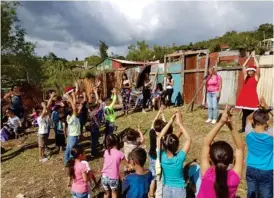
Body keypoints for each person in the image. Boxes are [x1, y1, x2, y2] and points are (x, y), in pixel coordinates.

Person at [198, 105, 245, 198]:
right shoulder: (234, 178)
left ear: (209, 158)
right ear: (232, 160)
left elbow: (206, 142)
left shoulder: (206, 174)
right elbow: (240, 148)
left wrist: (221, 122)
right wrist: (230, 126)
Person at [157, 110, 192, 198]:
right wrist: (180, 123)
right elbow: (189, 140)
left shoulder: (161, 156)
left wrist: (170, 121)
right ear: (177, 147)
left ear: (164, 145)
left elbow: (160, 137)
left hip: (166, 188)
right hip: (179, 190)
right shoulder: (179, 158)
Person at [245, 97, 273, 198]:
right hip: (266, 170)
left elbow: (248, 118)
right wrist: (267, 108)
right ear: (266, 121)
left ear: (254, 120)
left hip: (251, 168)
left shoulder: (248, 132)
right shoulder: (271, 134)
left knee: (252, 194)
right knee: (266, 195)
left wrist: (257, 110)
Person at [236, 52, 260, 132]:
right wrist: (249, 57)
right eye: (248, 71)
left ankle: (251, 128)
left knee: (252, 115)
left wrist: (254, 57)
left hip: (252, 98)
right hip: (244, 98)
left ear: (253, 72)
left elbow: (258, 67)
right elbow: (243, 66)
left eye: (251, 71)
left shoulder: (256, 78)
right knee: (244, 115)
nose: (249, 72)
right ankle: (243, 128)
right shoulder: (246, 77)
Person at [101, 134, 128, 198]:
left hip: (104, 177)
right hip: (113, 178)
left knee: (106, 194)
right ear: (117, 142)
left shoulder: (106, 152)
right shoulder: (120, 154)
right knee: (114, 194)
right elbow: (127, 164)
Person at [148, 107, 168, 198]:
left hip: (152, 157)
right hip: (160, 158)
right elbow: (166, 127)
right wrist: (162, 114)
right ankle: (159, 192)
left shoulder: (152, 133)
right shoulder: (164, 137)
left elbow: (152, 124)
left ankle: (151, 194)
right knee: (159, 175)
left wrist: (158, 113)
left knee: (153, 176)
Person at [64, 91, 81, 166]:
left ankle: (66, 161)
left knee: (68, 149)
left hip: (72, 136)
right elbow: (74, 109)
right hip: (72, 137)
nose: (77, 110)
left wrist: (73, 96)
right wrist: (70, 99)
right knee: (71, 151)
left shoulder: (72, 117)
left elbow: (74, 109)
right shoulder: (72, 118)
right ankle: (71, 163)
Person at [88, 88, 103, 156]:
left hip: (93, 127)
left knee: (94, 139)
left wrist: (95, 92)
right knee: (94, 139)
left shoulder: (91, 111)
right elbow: (100, 105)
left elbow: (98, 103)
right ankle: (93, 152)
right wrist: (95, 93)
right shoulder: (95, 112)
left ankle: (94, 150)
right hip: (94, 127)